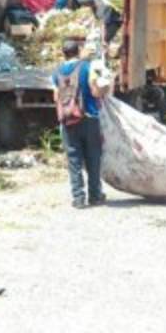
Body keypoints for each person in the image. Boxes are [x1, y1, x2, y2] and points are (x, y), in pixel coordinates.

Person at [53, 39, 109, 209]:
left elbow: (56, 97)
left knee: (74, 160)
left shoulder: (57, 72)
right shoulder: (87, 67)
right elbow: (94, 91)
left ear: (64, 53)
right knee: (93, 158)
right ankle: (95, 195)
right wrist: (105, 90)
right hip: (89, 118)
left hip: (68, 120)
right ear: (78, 50)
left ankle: (78, 198)